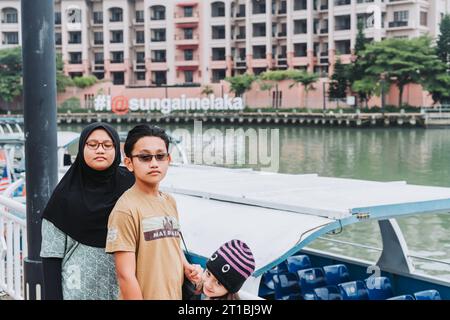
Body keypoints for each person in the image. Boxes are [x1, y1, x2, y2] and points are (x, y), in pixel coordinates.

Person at [40, 122, 134, 300]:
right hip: (78, 292)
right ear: (82, 148)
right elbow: (51, 257)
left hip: (125, 291)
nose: (100, 150)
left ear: (116, 150)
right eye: (92, 145)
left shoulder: (131, 186)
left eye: (107, 145)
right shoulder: (64, 196)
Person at [105, 124, 200, 300]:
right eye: (145, 157)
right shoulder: (125, 209)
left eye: (160, 156)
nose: (154, 163)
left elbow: (171, 243)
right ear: (129, 163)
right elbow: (125, 275)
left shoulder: (169, 201)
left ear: (168, 159)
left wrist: (186, 266)